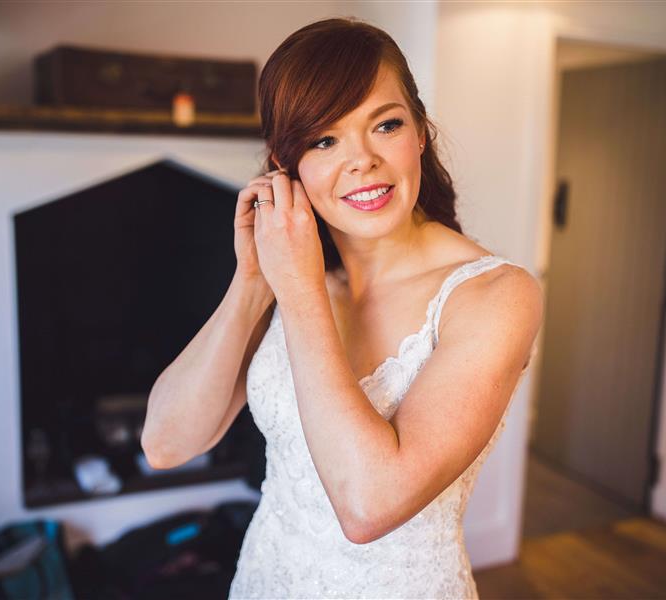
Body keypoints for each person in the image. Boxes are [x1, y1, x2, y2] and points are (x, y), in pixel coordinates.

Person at [141, 16, 543, 599]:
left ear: (421, 133)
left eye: (385, 125)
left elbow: (368, 507)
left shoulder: (495, 297)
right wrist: (253, 281)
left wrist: (301, 293)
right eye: (324, 140)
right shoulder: (289, 274)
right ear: (288, 163)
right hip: (265, 579)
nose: (362, 161)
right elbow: (166, 444)